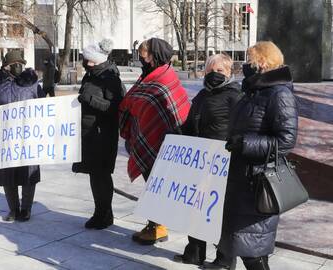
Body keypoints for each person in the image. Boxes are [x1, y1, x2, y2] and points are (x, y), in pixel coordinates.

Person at [217, 41, 298, 270]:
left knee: (253, 251)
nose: (245, 65)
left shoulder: (279, 94)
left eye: (249, 60)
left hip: (258, 183)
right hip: (240, 179)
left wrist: (245, 143)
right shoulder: (253, 91)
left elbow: (286, 141)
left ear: (262, 62)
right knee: (243, 245)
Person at [173, 53, 242, 268]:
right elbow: (191, 122)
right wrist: (176, 134)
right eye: (211, 70)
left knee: (219, 212)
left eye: (220, 70)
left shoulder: (235, 96)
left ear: (229, 73)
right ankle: (194, 252)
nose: (214, 74)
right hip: (199, 160)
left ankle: (225, 259)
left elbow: (241, 127)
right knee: (197, 207)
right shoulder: (202, 95)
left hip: (222, 162)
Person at [119, 38, 190, 245]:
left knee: (156, 184)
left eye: (145, 54)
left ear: (154, 56)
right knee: (152, 184)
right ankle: (155, 223)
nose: (142, 57)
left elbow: (171, 110)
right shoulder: (149, 75)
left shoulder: (163, 77)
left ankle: (158, 227)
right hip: (152, 139)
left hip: (163, 141)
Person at [0, 50, 44, 222]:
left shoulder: (32, 84)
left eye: (21, 63)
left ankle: (26, 209)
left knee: (28, 173)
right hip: (6, 138)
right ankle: (13, 209)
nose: (18, 67)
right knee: (8, 175)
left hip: (27, 136)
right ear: (6, 66)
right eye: (14, 64)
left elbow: (45, 108)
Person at [72, 38, 125, 230]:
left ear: (100, 60)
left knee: (101, 175)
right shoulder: (91, 75)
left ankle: (105, 214)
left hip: (103, 134)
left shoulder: (111, 78)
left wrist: (90, 99)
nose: (87, 63)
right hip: (89, 133)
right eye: (86, 60)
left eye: (91, 60)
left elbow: (116, 108)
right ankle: (100, 211)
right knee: (94, 175)